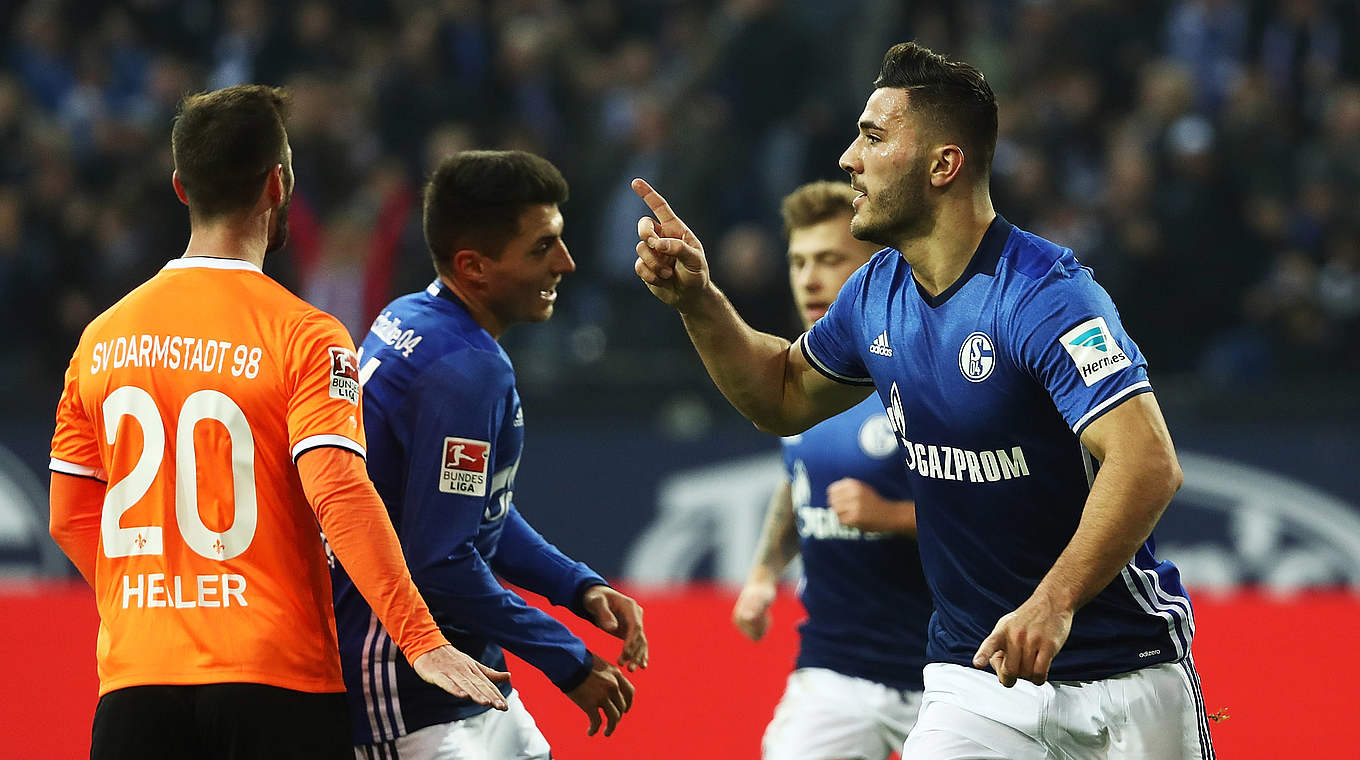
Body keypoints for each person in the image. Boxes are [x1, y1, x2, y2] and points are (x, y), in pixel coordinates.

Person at [634, 42, 1214, 759]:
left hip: (1124, 675)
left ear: (944, 165)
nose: (849, 158)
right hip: (974, 679)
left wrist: (1053, 602)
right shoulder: (875, 293)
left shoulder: (1046, 296)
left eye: (874, 137)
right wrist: (698, 300)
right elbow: (781, 395)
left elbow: (1147, 462)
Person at [47, 85, 508, 760]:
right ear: (278, 183)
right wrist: (421, 638)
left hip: (136, 690)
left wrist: (158, 602)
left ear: (181, 188)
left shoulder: (101, 339)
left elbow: (67, 513)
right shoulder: (306, 335)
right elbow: (340, 490)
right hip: (275, 683)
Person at [331, 149, 647, 760]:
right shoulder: (465, 372)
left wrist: (577, 587)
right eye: (541, 248)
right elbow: (442, 559)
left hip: (471, 676)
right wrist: (569, 660)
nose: (566, 261)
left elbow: (473, 516)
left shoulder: (410, 317)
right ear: (473, 267)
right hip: (407, 687)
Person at [730, 181, 933, 760]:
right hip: (834, 668)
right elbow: (797, 484)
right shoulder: (799, 381)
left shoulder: (919, 375)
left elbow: (996, 510)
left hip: (950, 672)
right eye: (797, 261)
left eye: (828, 259)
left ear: (874, 270)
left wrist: (889, 515)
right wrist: (765, 571)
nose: (808, 278)